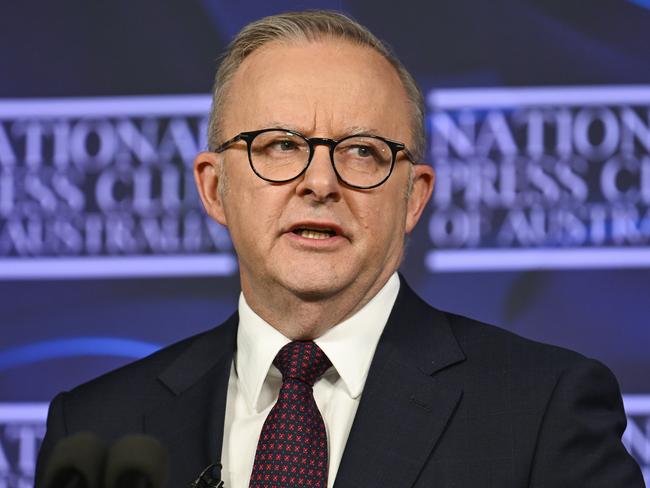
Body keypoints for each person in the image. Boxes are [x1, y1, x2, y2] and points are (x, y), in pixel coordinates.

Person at [35, 10, 643, 488]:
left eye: (362, 151)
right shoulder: (96, 428)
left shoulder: (542, 411)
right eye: (277, 145)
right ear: (214, 188)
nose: (320, 182)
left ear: (413, 198)